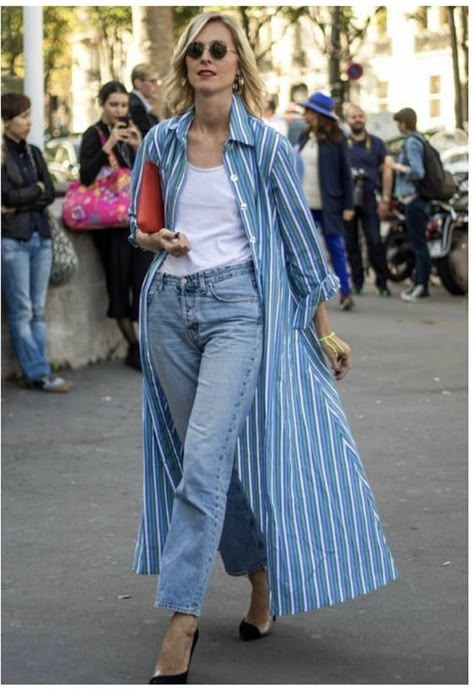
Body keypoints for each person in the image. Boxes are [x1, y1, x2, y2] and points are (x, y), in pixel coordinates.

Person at [129, 12, 398, 683]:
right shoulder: (160, 141)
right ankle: (260, 580)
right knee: (205, 462)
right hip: (168, 311)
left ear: (239, 65)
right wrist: (154, 238)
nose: (207, 58)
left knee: (205, 458)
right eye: (196, 49)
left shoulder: (269, 147)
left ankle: (182, 619)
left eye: (220, 49)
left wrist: (324, 328)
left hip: (238, 311)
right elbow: (141, 222)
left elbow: (302, 251)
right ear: (185, 64)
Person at [79, 81, 153, 370]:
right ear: (102, 105)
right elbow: (85, 176)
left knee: (143, 281)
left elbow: (151, 174)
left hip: (136, 223)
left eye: (123, 105)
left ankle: (143, 346)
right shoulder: (93, 134)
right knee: (118, 284)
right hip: (109, 227)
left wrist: (139, 146)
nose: (120, 111)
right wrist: (107, 145)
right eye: (114, 105)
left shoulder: (133, 134)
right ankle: (133, 348)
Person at [1, 92, 71, 393]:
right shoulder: (2, 154)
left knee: (38, 310)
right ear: (6, 121)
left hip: (40, 237)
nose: (30, 122)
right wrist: (33, 192)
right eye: (24, 116)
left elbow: (49, 192)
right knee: (23, 311)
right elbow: (5, 197)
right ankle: (37, 373)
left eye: (30, 115)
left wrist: (25, 197)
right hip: (13, 240)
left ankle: (40, 370)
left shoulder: (33, 153)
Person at [296, 91, 356, 311]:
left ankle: (345, 292)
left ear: (319, 115)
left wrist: (348, 205)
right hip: (304, 204)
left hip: (329, 204)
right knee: (304, 250)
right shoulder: (303, 136)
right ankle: (307, 293)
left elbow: (346, 175)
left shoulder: (337, 139)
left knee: (335, 248)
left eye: (309, 111)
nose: (305, 115)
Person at [344, 104, 392, 296]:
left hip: (370, 198)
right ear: (347, 121)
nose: (357, 119)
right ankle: (357, 282)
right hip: (347, 200)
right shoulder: (342, 144)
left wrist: (385, 199)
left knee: (374, 240)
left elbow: (387, 170)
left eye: (360, 116)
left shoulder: (377, 143)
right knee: (351, 242)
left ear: (365, 119)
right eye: (353, 116)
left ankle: (382, 283)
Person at [386, 107, 431, 302]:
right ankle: (419, 283)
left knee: (419, 244)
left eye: (398, 122)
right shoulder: (419, 140)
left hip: (414, 200)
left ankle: (421, 285)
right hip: (415, 200)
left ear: (404, 122)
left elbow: (417, 171)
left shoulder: (412, 142)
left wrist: (395, 166)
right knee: (417, 243)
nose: (397, 126)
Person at [129, 64, 160, 137]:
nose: (157, 85)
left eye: (157, 81)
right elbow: (148, 137)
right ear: (138, 83)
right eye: (152, 81)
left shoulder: (138, 102)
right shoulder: (136, 106)